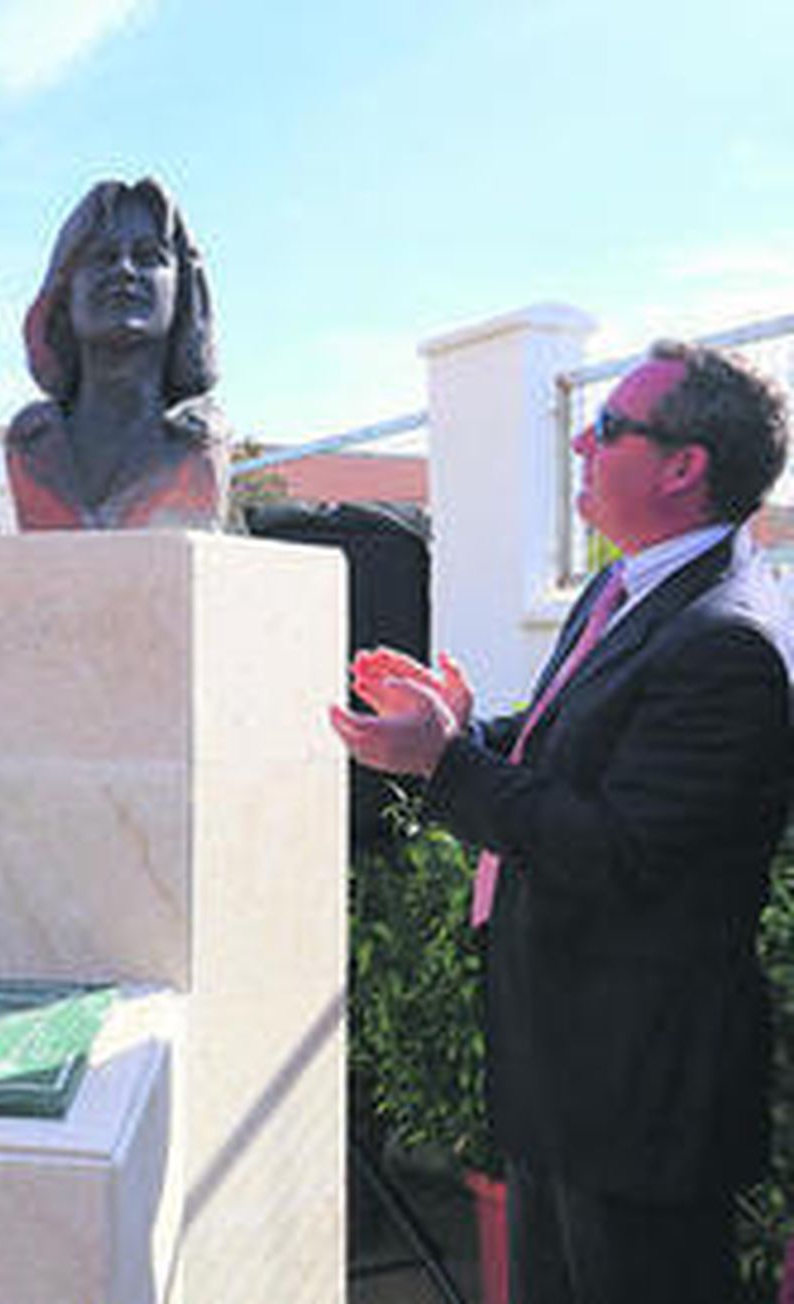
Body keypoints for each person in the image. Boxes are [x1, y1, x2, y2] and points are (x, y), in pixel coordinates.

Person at [329, 342, 794, 1304]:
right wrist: (462, 726)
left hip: (640, 1097)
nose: (581, 439)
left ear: (683, 466)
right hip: (571, 1073)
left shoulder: (729, 642)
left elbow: (615, 852)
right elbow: (562, 738)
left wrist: (445, 762)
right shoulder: (629, 586)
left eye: (610, 427)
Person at [5, 176, 228, 531]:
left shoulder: (195, 444)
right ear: (65, 293)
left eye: (148, 257)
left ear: (182, 291)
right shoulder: (34, 443)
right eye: (101, 257)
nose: (124, 270)